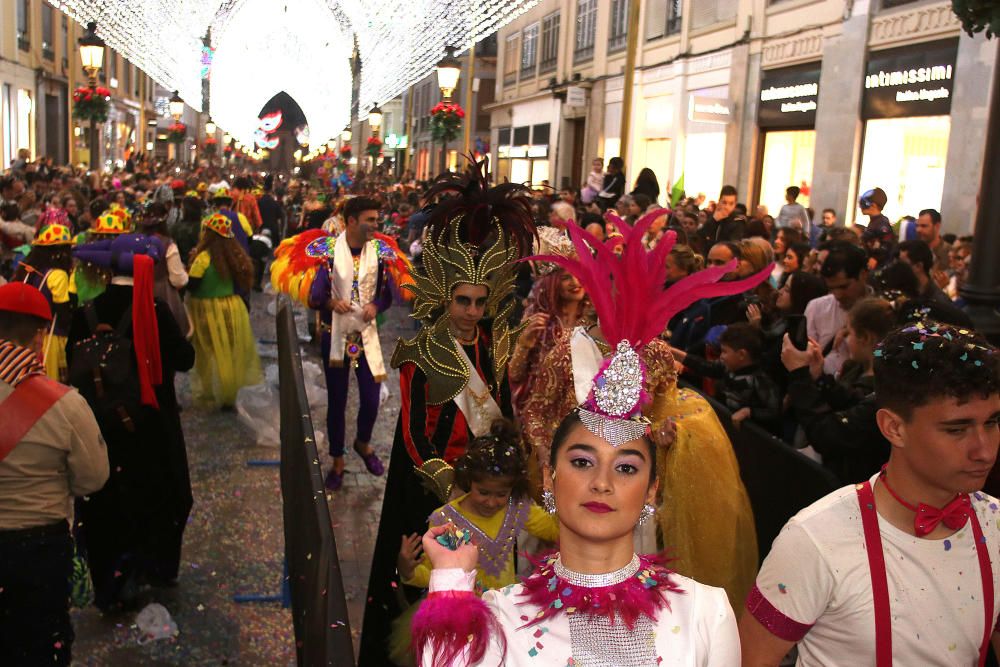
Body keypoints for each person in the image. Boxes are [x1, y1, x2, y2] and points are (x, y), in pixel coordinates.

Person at [523, 210, 766, 611]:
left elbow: (663, 413)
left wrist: (667, 433)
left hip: (630, 485)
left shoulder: (653, 352)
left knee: (629, 594)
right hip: (574, 479)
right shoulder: (567, 348)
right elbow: (535, 412)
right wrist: (552, 455)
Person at [411, 379, 739, 665]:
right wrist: (450, 582)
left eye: (626, 468)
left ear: (651, 490)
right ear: (549, 480)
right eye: (582, 462)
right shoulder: (501, 613)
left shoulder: (705, 613)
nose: (602, 482)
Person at [740, 322, 1000, 667]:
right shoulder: (815, 539)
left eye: (993, 422)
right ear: (894, 428)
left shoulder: (995, 523)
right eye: (957, 429)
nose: (984, 451)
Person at [360, 163, 535, 666]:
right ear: (445, 296)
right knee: (428, 583)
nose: (472, 311)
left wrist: (504, 470)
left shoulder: (493, 348)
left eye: (481, 302)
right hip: (430, 487)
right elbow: (415, 434)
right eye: (463, 300)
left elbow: (500, 417)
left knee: (489, 581)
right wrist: (452, 487)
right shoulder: (421, 352)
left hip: (484, 488)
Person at [67, 233, 194, 612]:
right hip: (150, 424)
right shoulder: (153, 310)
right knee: (157, 492)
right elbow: (185, 358)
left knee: (106, 498)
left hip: (99, 424)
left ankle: (110, 579)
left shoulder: (85, 311)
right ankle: (150, 567)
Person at [0, 282, 108, 666]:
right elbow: (93, 479)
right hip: (39, 549)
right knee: (40, 648)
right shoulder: (66, 404)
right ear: (40, 335)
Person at [390, 419, 558, 664]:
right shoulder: (447, 519)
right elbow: (437, 575)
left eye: (501, 494)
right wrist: (409, 570)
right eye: (483, 492)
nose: (491, 502)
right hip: (461, 620)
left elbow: (556, 530)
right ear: (469, 481)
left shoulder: (517, 508)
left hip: (505, 613)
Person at [305, 197, 396, 490]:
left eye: (377, 219)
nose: (376, 225)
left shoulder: (381, 253)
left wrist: (376, 306)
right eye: (370, 219)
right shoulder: (329, 252)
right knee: (337, 401)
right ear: (352, 221)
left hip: (366, 337)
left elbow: (388, 295)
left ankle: (362, 442)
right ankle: (337, 460)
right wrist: (331, 301)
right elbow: (313, 296)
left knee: (371, 399)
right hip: (335, 337)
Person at [782, 297, 895, 484]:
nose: (842, 338)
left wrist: (798, 375)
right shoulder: (856, 369)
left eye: (848, 333)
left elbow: (828, 434)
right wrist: (818, 377)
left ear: (865, 337)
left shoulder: (885, 392)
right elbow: (852, 402)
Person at [186, 213, 262, 408]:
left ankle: (209, 393)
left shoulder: (203, 257)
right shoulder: (235, 255)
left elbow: (192, 284)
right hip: (232, 307)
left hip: (206, 309)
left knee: (206, 352)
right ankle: (230, 393)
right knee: (228, 350)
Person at [672, 323, 783, 435]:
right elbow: (704, 366)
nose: (721, 356)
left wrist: (750, 412)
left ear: (741, 355)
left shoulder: (761, 380)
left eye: (724, 351)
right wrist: (672, 352)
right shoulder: (728, 367)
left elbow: (775, 412)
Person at [13, 214, 75, 382]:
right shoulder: (59, 275)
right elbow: (62, 315)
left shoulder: (30, 272)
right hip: (52, 339)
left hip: (28, 335)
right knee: (51, 384)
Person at [806, 241, 870, 376]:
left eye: (844, 287)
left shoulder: (883, 311)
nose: (838, 295)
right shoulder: (817, 307)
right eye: (831, 288)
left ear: (863, 275)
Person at [139, 202, 190, 336]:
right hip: (162, 295)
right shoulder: (167, 244)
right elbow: (178, 280)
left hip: (138, 294)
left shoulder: (135, 241)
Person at [897, 239, 951, 306]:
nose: (898, 270)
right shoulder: (906, 295)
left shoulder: (939, 302)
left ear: (918, 266)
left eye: (902, 265)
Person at [858, 187, 895, 269]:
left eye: (864, 203)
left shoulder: (882, 224)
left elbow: (887, 244)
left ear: (873, 205)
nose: (861, 206)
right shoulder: (875, 222)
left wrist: (875, 258)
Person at [915, 208, 950, 273]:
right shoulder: (913, 250)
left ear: (937, 226)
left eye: (924, 226)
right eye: (917, 226)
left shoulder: (949, 253)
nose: (918, 230)